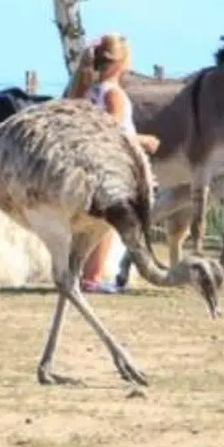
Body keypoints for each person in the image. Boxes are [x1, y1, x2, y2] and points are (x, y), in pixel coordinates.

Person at [67, 34, 161, 294]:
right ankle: (92, 277)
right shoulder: (113, 95)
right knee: (107, 225)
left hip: (89, 165)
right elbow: (113, 133)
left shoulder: (87, 93)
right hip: (110, 168)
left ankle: (83, 274)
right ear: (121, 63)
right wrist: (145, 141)